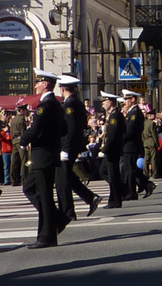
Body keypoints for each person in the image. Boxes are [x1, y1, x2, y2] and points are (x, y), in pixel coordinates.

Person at [20, 69, 68, 248]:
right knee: (31, 188)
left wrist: (23, 140)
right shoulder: (56, 104)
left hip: (42, 155)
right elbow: (63, 129)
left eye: (38, 82)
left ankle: (47, 235)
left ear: (46, 84)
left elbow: (36, 128)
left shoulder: (45, 105)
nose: (36, 85)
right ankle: (56, 219)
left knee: (44, 194)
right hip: (48, 154)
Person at [55, 75, 101, 221]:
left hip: (69, 146)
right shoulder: (76, 102)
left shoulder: (70, 104)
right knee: (67, 176)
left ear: (62, 89)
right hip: (72, 145)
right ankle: (90, 197)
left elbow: (72, 129)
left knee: (62, 180)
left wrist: (66, 149)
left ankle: (68, 212)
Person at [121, 89, 154, 199]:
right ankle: (147, 185)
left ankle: (132, 192)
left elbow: (130, 131)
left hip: (131, 145)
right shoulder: (131, 112)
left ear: (133, 99)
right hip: (130, 145)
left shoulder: (135, 112)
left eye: (127, 99)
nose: (125, 101)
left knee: (130, 170)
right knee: (131, 169)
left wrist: (121, 139)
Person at [100, 92, 125, 208]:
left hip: (112, 149)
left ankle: (115, 199)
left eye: (104, 102)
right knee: (105, 172)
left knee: (112, 174)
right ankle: (118, 192)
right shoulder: (113, 114)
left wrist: (105, 149)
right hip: (112, 149)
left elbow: (113, 135)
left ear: (110, 102)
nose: (103, 104)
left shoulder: (114, 115)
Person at [9, 102, 29, 186]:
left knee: (14, 161)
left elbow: (11, 131)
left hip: (14, 140)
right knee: (24, 160)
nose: (26, 112)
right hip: (21, 140)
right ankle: (24, 180)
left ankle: (13, 180)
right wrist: (26, 142)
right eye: (24, 110)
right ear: (22, 111)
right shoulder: (21, 119)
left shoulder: (13, 119)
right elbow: (23, 132)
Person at [142, 109, 159, 179]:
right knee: (153, 158)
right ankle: (155, 173)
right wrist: (156, 143)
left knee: (146, 158)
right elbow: (154, 134)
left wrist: (143, 141)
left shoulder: (144, 123)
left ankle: (145, 173)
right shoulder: (152, 123)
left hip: (146, 142)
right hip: (151, 141)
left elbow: (142, 134)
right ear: (150, 115)